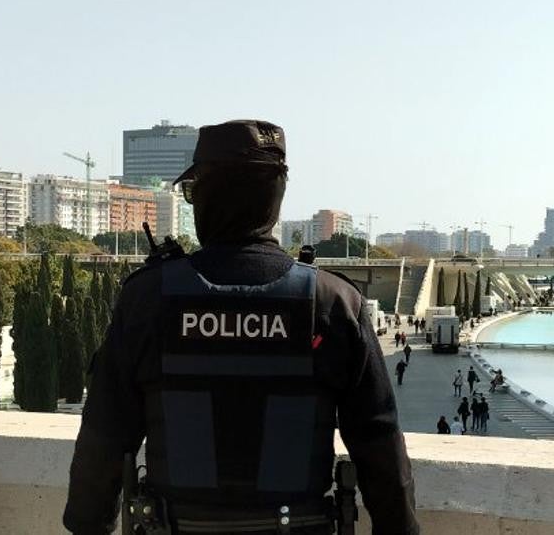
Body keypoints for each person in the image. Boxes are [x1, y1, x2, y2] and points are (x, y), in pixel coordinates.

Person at [63, 120, 419, 535]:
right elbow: (379, 444)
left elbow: (105, 437)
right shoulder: (333, 303)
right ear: (276, 198)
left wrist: (88, 522)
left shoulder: (147, 300)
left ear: (205, 198)